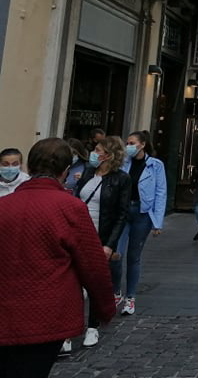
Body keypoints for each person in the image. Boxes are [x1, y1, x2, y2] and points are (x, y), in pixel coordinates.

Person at [0, 138, 115, 377]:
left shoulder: (5, 206)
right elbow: (93, 266)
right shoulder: (70, 208)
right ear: (65, 171)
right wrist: (105, 307)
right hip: (47, 314)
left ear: (29, 167)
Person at [69, 134, 132, 351]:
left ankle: (93, 326)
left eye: (98, 151)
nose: (94, 154)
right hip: (78, 232)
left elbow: (121, 214)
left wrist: (110, 244)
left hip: (101, 234)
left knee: (95, 281)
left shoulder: (121, 179)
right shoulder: (88, 172)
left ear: (109, 155)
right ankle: (69, 329)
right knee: (72, 282)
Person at [113, 130, 167, 317]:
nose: (128, 146)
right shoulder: (122, 163)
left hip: (142, 213)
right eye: (127, 143)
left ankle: (130, 297)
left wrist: (157, 222)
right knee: (115, 254)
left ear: (142, 145)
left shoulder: (155, 165)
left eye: (132, 143)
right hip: (123, 212)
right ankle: (116, 292)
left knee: (133, 257)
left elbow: (161, 192)